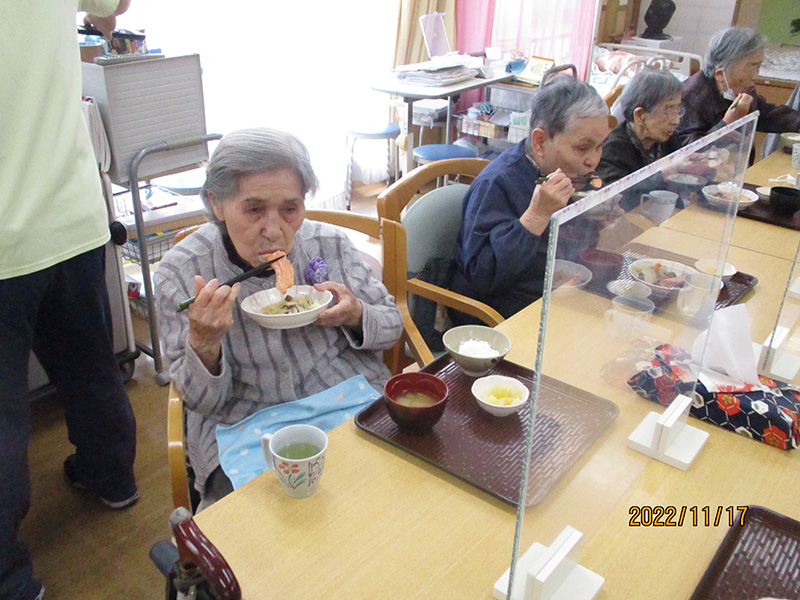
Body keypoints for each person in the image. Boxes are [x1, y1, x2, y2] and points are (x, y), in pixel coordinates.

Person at [154, 128, 403, 509]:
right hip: (246, 420)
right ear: (216, 203)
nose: (274, 230)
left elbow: (391, 325)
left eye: (290, 209)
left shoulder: (329, 244)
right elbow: (202, 402)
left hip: (345, 396)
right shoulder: (182, 272)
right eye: (253, 209)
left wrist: (355, 314)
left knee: (395, 500)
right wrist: (204, 344)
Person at [0, 2, 137, 600]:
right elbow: (115, 8)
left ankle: (8, 578)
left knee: (4, 418)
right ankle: (112, 477)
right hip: (74, 219)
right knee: (90, 367)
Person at [450, 77, 610, 320]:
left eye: (599, 147)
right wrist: (535, 217)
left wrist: (597, 219)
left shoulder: (566, 175)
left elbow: (569, 248)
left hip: (554, 296)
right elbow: (481, 278)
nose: (593, 160)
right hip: (498, 314)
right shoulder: (497, 184)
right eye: (582, 148)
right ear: (540, 142)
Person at [677, 27, 800, 149]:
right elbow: (688, 152)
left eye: (758, 66)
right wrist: (726, 124)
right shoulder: (689, 97)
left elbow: (767, 115)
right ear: (720, 73)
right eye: (751, 66)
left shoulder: (742, 87)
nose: (755, 75)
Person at [597, 70, 684, 185]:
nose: (676, 120)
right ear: (640, 116)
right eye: (668, 110)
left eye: (677, 109)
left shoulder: (669, 139)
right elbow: (619, 197)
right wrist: (666, 173)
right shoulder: (613, 151)